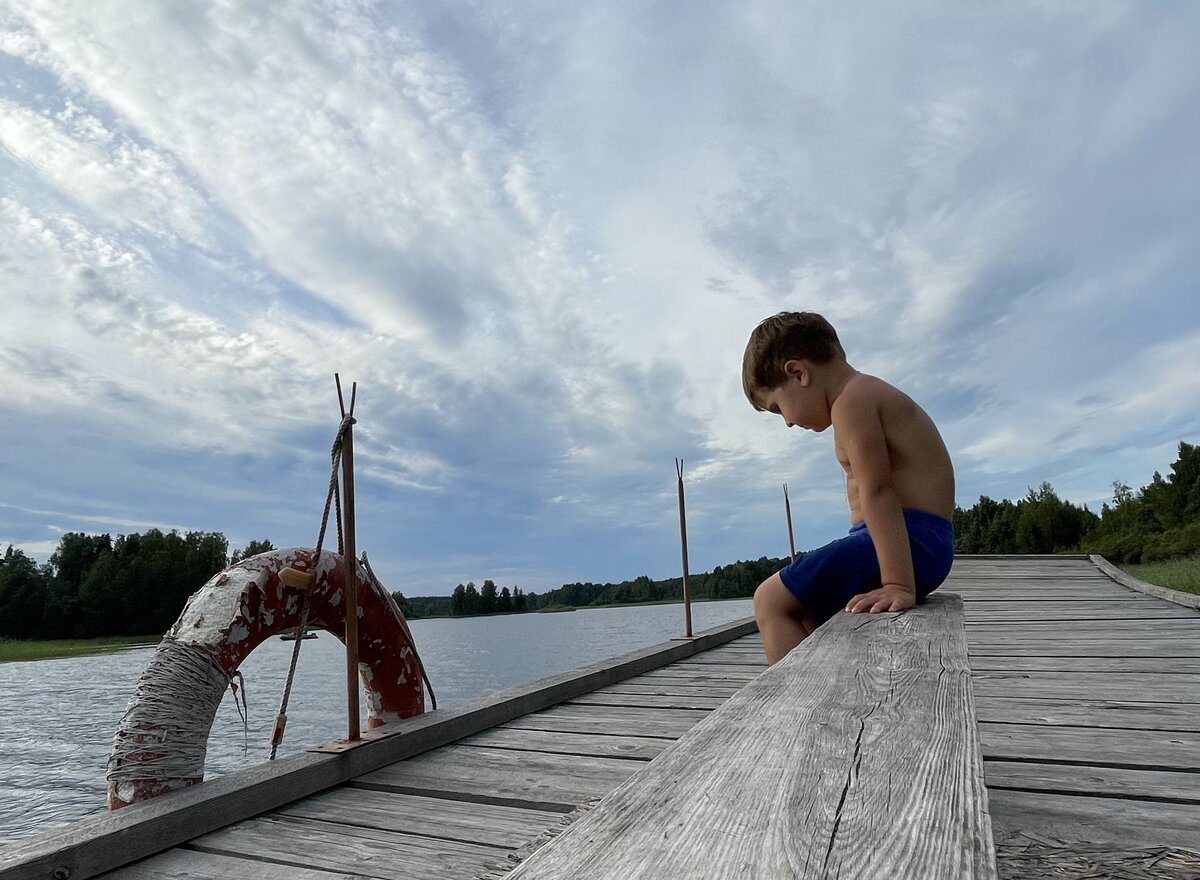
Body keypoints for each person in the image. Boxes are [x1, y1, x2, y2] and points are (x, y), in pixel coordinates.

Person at [742, 311, 955, 664]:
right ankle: (829, 689)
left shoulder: (852, 402)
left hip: (909, 545)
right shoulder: (861, 395)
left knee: (769, 600)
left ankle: (794, 710)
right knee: (808, 609)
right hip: (913, 544)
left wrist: (899, 584)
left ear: (798, 373)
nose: (789, 423)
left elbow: (878, 491)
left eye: (778, 407)